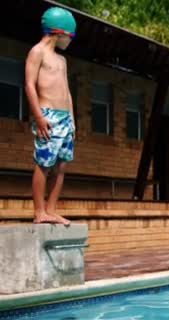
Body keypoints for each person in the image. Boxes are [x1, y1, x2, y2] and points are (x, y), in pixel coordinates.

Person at [25, 7, 77, 225]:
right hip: (47, 116)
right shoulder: (37, 52)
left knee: (62, 164)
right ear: (59, 32)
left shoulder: (62, 61)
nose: (70, 41)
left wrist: (73, 120)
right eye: (70, 36)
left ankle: (51, 209)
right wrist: (38, 116)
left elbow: (67, 92)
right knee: (44, 163)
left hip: (65, 118)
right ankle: (39, 212)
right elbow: (29, 85)